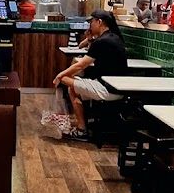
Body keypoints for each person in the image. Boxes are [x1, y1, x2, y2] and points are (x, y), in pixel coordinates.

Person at [49, 9, 128, 141]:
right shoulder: (113, 37)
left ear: (100, 22)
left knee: (64, 79)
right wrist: (90, 39)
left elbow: (81, 65)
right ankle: (82, 127)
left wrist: (59, 75)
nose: (89, 25)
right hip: (117, 88)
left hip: (107, 89)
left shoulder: (103, 41)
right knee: (72, 87)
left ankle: (82, 130)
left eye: (91, 22)